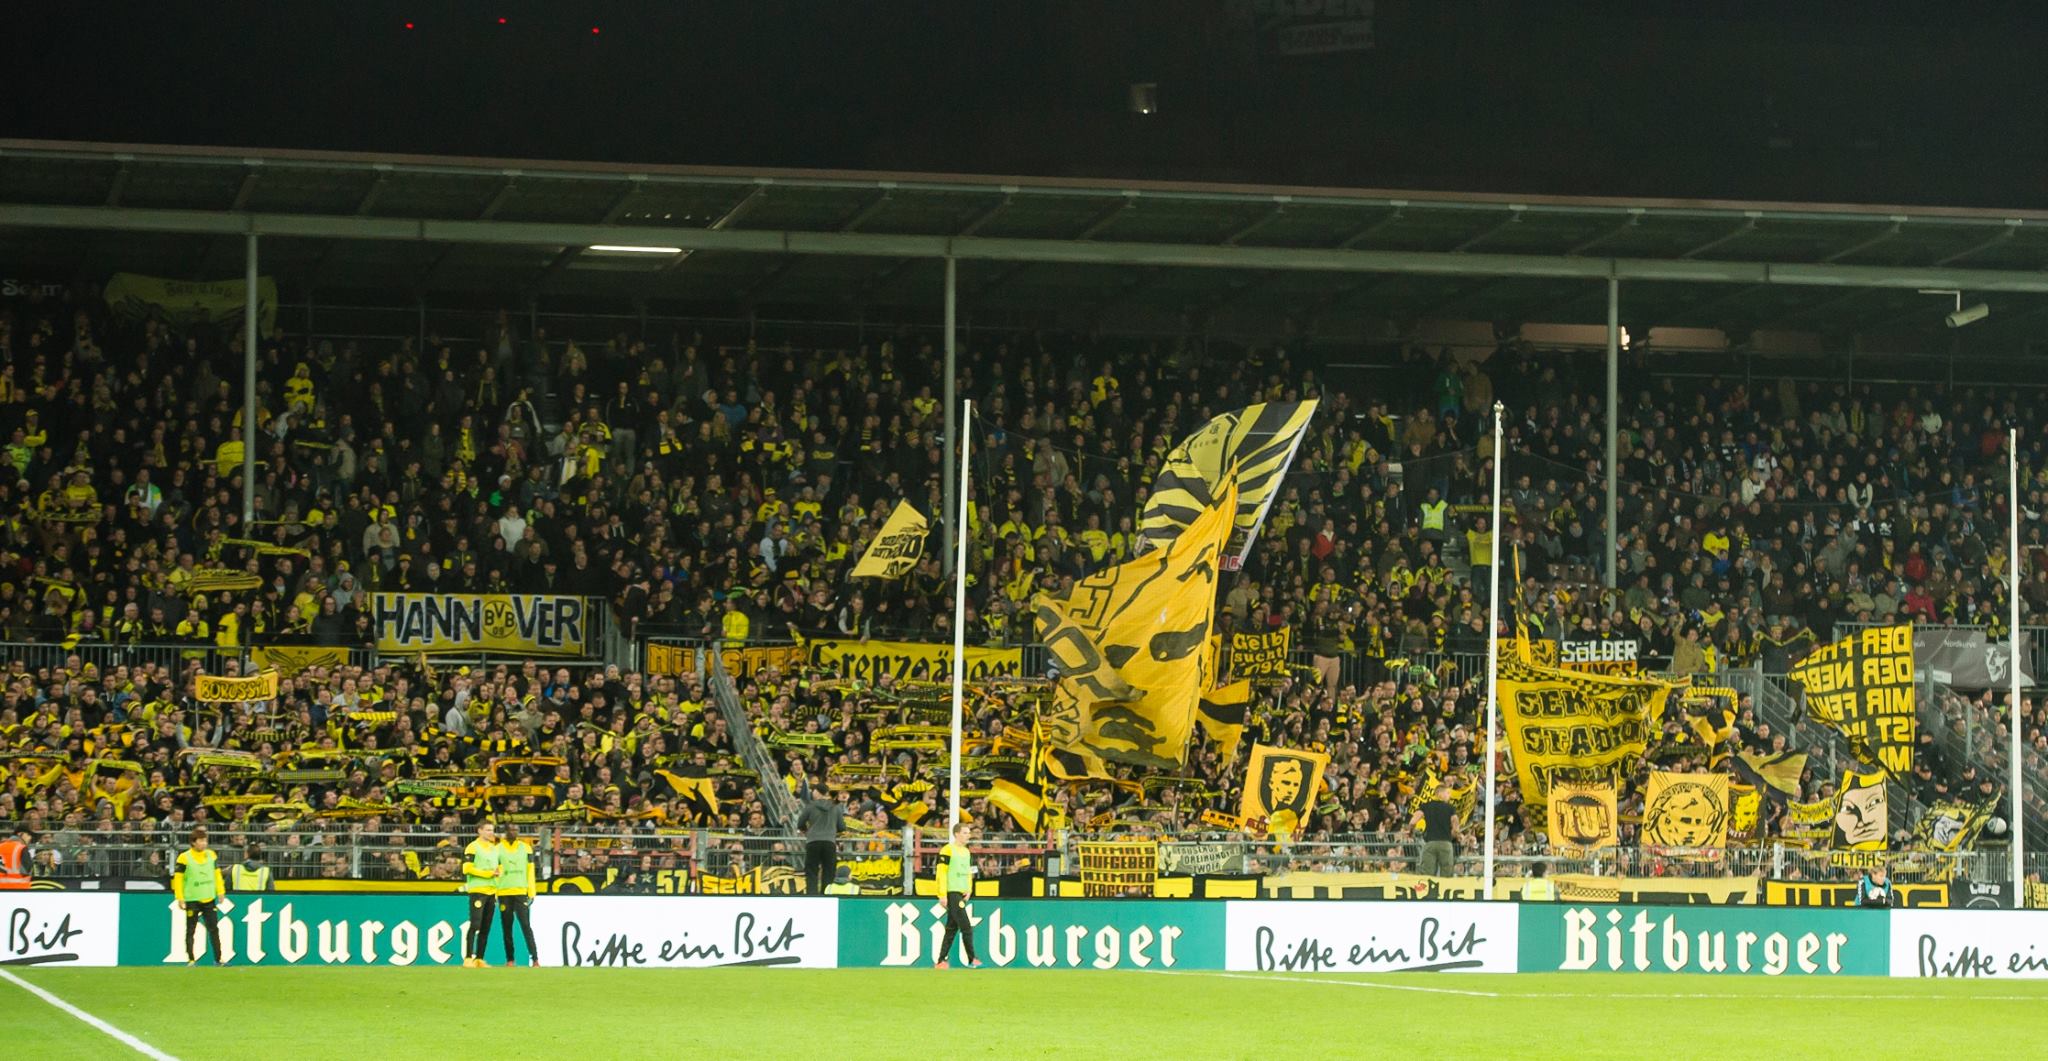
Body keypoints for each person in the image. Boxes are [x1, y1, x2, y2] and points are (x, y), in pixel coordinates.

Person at [173, 826, 229, 966]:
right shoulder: (184, 858)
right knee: (191, 930)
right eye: (201, 841)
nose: (204, 843)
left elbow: (217, 874)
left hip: (208, 898)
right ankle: (191, 959)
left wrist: (220, 891)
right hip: (192, 899)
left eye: (205, 841)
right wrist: (179, 897)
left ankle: (218, 959)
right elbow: (178, 878)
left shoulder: (211, 855)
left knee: (214, 929)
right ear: (193, 842)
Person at [934, 821, 982, 970]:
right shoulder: (947, 850)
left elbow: (968, 872)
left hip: (961, 893)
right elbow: (941, 873)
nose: (968, 835)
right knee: (966, 927)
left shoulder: (966, 852)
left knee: (951, 929)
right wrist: (942, 894)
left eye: (969, 833)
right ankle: (972, 959)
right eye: (965, 833)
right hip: (952, 892)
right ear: (956, 834)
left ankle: (941, 961)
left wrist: (969, 889)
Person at [496, 822, 539, 967]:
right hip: (503, 892)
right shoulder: (497, 849)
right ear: (506, 831)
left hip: (520, 892)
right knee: (507, 927)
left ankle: (535, 959)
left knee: (526, 926)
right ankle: (510, 960)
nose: (514, 832)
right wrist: (495, 892)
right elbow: (495, 872)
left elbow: (530, 870)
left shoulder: (526, 848)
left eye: (516, 830)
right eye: (512, 830)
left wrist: (531, 891)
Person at [461, 821, 503, 968]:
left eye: (492, 830)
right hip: (478, 891)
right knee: (475, 924)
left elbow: (499, 867)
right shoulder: (473, 847)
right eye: (487, 830)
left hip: (492, 891)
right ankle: (468, 958)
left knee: (486, 927)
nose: (491, 833)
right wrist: (488, 874)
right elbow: (466, 868)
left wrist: (499, 872)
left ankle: (479, 959)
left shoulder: (494, 849)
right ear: (479, 831)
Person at [797, 791, 846, 896]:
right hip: (829, 842)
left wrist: (806, 830)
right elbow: (842, 827)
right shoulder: (836, 807)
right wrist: (832, 830)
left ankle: (812, 896)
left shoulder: (810, 806)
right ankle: (826, 895)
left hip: (813, 841)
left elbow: (800, 823)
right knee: (828, 871)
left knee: (811, 871)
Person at [1415, 784, 1458, 877]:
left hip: (1430, 843)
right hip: (1445, 843)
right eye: (1447, 793)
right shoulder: (1450, 808)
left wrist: (1410, 830)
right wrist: (1453, 834)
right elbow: (1455, 823)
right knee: (1447, 875)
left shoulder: (1425, 806)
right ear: (1439, 793)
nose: (1449, 796)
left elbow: (1413, 821)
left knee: (1427, 875)